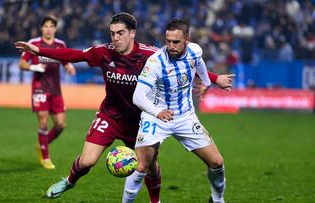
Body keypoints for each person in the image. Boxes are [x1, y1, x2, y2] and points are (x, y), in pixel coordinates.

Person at [15, 13, 232, 202]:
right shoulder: (103, 52)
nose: (115, 38)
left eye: (120, 33)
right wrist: (38, 50)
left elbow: (181, 64)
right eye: (112, 33)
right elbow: (75, 55)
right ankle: (69, 181)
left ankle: (155, 201)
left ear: (132, 33)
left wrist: (213, 78)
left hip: (139, 120)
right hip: (110, 115)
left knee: (150, 167)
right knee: (87, 161)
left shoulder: (150, 55)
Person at [122, 19, 226, 203]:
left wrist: (206, 83)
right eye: (168, 41)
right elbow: (138, 96)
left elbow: (199, 64)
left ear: (187, 39)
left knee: (217, 163)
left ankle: (217, 200)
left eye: (176, 42)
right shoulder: (155, 62)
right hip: (156, 118)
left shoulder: (195, 50)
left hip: (185, 117)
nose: (171, 46)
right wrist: (157, 112)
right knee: (141, 166)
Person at [19, 15, 75, 169]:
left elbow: (65, 59)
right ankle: (46, 158)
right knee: (43, 120)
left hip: (56, 89)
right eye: (46, 26)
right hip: (39, 87)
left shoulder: (60, 44)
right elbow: (22, 63)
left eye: (51, 26)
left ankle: (41, 144)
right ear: (41, 28)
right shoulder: (34, 43)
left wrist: (68, 66)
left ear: (55, 28)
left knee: (61, 125)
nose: (48, 29)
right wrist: (33, 67)